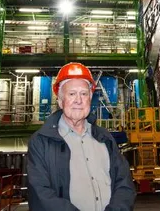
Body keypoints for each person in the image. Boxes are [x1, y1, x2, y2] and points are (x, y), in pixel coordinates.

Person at [26, 63, 135, 211]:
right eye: (71, 94)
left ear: (90, 98)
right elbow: (41, 196)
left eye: (84, 94)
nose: (78, 100)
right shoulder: (41, 143)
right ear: (60, 101)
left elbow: (124, 184)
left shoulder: (105, 139)